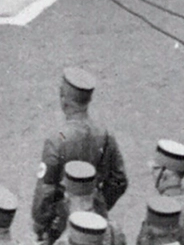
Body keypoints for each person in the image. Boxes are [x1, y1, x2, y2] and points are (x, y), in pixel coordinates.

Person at [31, 69, 129, 244]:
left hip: (62, 222)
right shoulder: (105, 135)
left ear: (63, 100)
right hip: (96, 217)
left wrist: (41, 224)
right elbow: (119, 180)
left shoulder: (56, 140)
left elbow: (45, 191)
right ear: (88, 100)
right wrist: (98, 204)